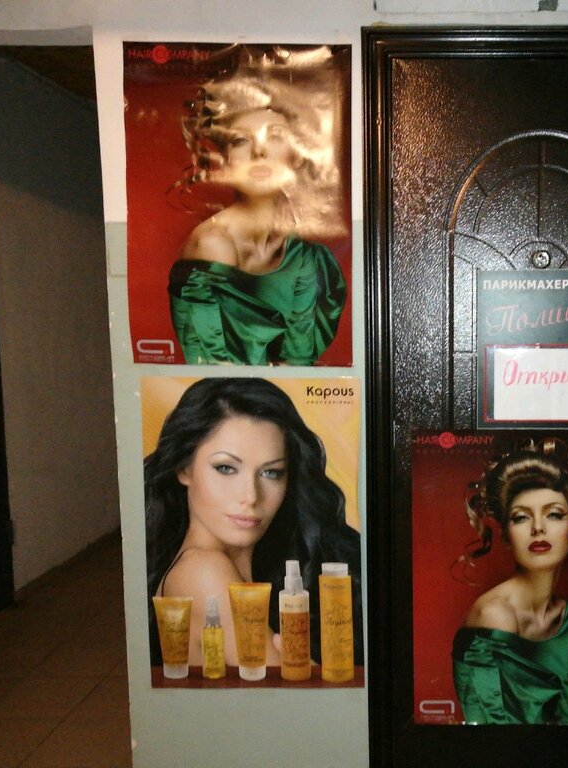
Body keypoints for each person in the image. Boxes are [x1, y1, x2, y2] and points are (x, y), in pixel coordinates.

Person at [145, 377, 362, 670]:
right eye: (225, 468)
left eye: (271, 473)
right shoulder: (203, 572)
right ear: (184, 468)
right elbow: (299, 694)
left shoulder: (263, 568)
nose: (251, 496)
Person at [169, 62, 347, 366]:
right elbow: (215, 370)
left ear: (298, 154)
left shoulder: (306, 258)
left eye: (275, 136)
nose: (259, 152)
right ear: (225, 158)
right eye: (241, 140)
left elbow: (299, 363)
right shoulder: (212, 245)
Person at [451, 438, 568, 724]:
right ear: (506, 535)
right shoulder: (494, 615)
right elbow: (497, 735)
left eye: (554, 514)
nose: (538, 528)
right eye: (521, 518)